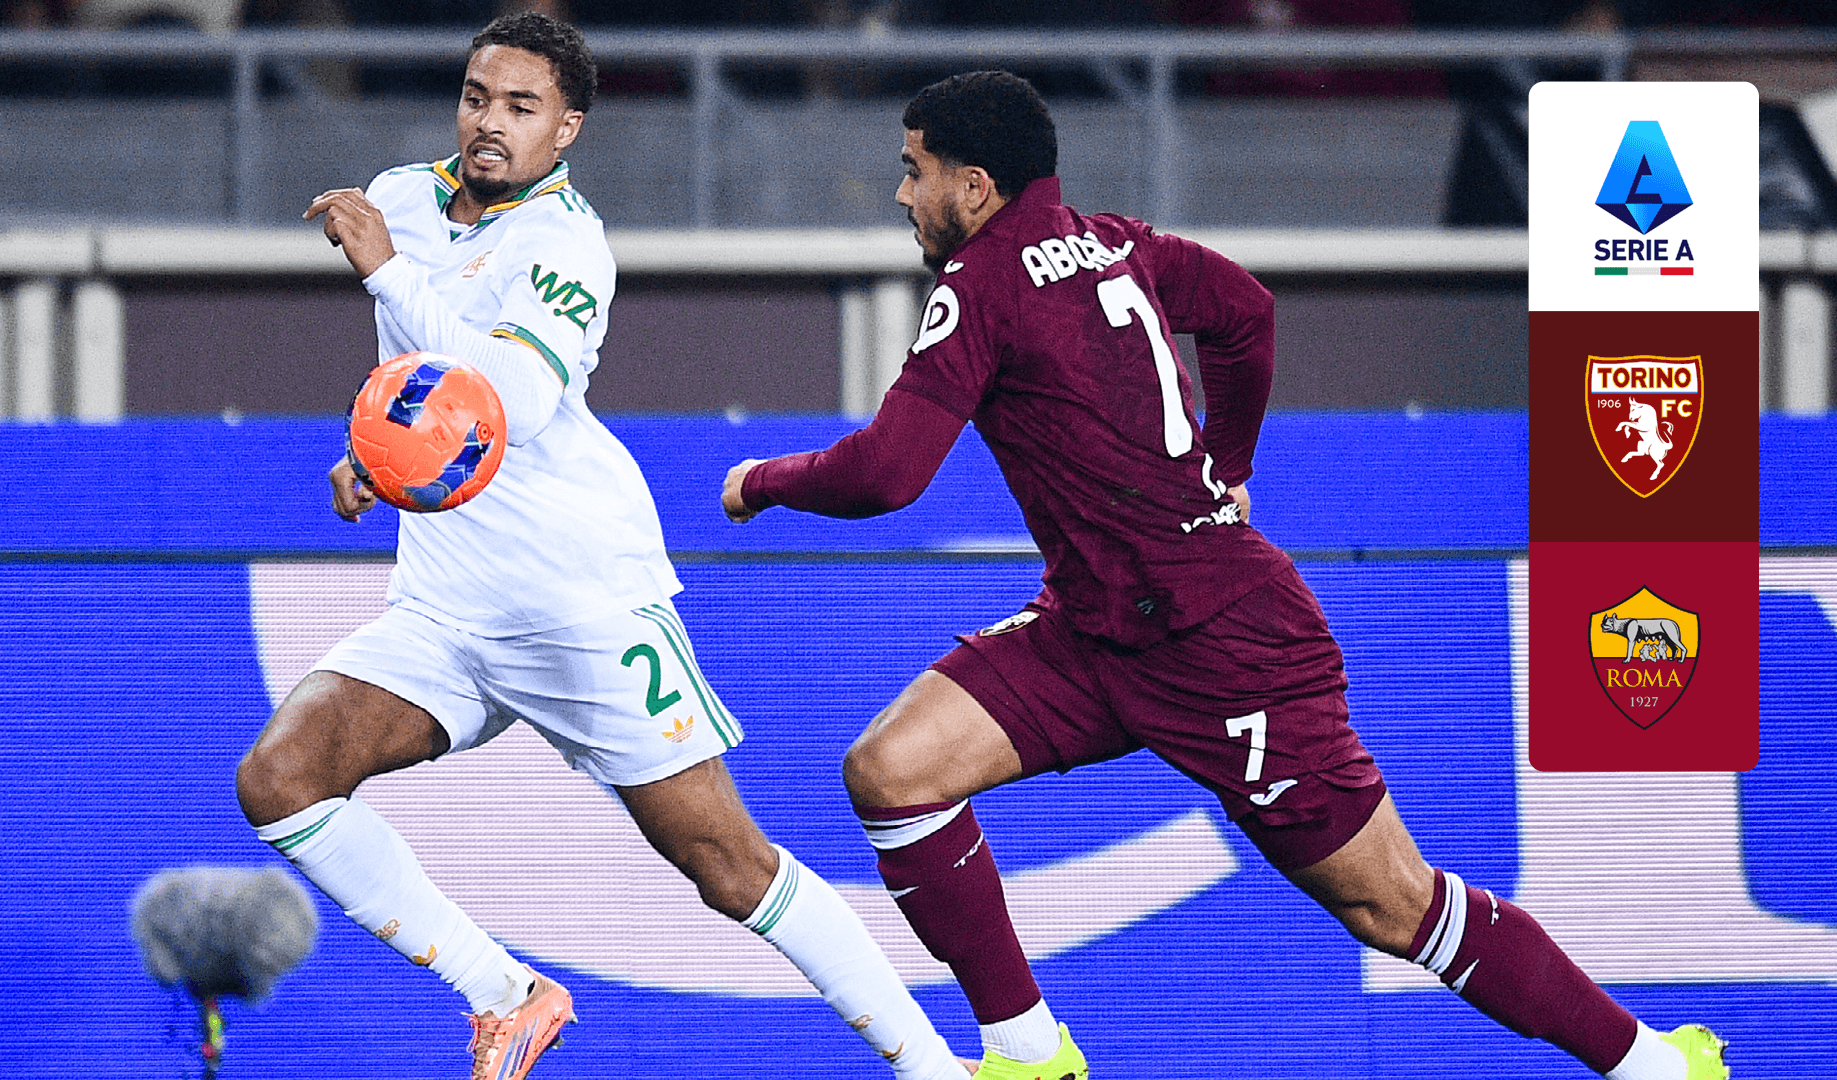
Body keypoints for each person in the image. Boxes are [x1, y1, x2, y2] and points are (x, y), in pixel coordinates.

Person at [722, 70, 1729, 1080]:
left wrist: (763, 481)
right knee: (895, 771)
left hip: (1221, 640)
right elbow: (1245, 311)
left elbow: (888, 473)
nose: (903, 194)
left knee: (1392, 903)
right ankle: (1031, 1055)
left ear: (975, 186)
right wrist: (1229, 465)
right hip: (1098, 625)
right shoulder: (1122, 242)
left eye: (915, 170)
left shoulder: (979, 283)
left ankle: (1654, 1065)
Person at [235, 15, 974, 1080]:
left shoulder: (564, 243)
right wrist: (376, 459)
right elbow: (420, 390)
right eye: (477, 97)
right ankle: (506, 995)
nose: (490, 123)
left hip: (575, 600)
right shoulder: (400, 198)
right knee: (282, 777)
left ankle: (932, 1066)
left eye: (521, 107)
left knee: (728, 867)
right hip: (444, 606)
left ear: (567, 128)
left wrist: (388, 273)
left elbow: (512, 401)